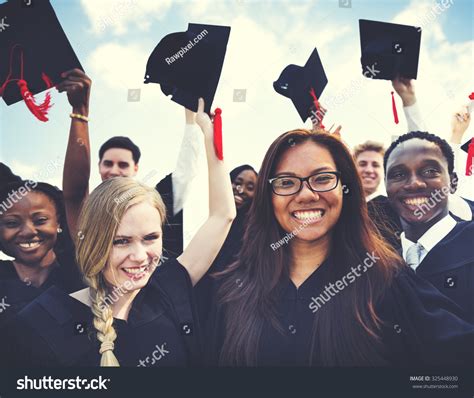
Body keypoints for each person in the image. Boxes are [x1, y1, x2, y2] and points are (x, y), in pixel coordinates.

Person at [205, 128, 473, 367]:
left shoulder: (385, 280)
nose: (306, 194)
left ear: (346, 188)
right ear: (268, 196)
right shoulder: (233, 288)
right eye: (286, 182)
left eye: (322, 179)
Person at [0, 98, 236, 367]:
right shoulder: (37, 325)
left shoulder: (169, 287)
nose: (139, 256)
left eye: (150, 238)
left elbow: (222, 215)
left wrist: (206, 131)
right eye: (120, 241)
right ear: (90, 240)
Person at [58, 69, 202, 256]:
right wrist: (80, 111)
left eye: (123, 165)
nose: (114, 171)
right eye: (108, 163)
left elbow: (187, 170)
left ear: (135, 168)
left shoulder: (156, 204)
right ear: (99, 167)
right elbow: (75, 194)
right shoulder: (89, 219)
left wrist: (192, 113)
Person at [384, 130, 474, 322]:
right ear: (386, 186)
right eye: (398, 174)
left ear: (453, 182)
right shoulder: (379, 267)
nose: (414, 183)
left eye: (430, 171)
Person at [0, 179, 83, 332]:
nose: (28, 231)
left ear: (58, 221)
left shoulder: (79, 273)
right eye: (12, 223)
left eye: (40, 220)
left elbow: (76, 192)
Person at [195, 165, 258, 323]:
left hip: (230, 305)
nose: (241, 190)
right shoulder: (208, 217)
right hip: (199, 298)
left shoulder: (254, 232)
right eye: (237, 182)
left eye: (250, 187)